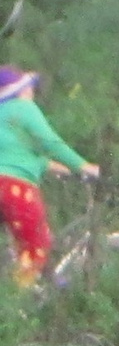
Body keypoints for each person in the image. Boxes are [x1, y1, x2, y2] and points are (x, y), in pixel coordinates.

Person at [0, 69, 95, 289]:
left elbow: (29, 158)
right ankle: (18, 307)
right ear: (21, 90)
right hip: (15, 188)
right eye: (30, 86)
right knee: (36, 245)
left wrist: (67, 171)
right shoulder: (24, 108)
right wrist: (85, 167)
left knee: (24, 239)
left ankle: (48, 285)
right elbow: (50, 143)